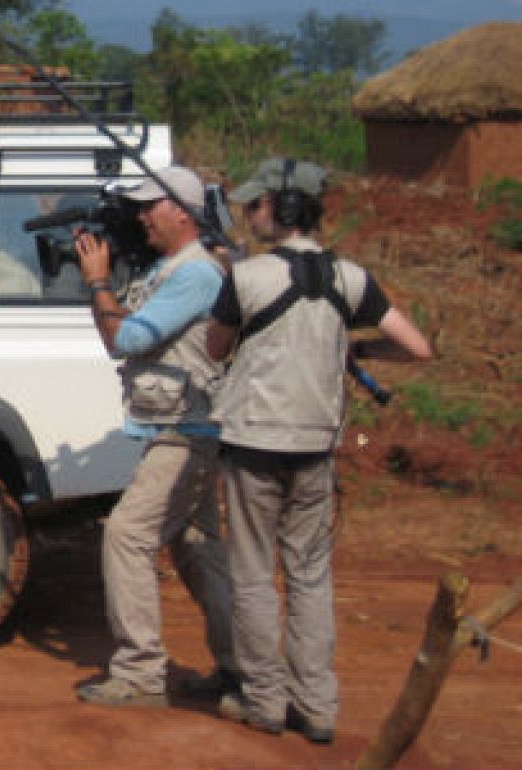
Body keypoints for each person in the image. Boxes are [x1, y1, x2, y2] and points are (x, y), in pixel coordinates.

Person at [207, 159, 432, 741]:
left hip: (253, 441)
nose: (250, 213)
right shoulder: (352, 278)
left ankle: (264, 702)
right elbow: (418, 347)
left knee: (254, 576)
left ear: (277, 209)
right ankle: (318, 708)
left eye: (256, 205)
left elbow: (215, 349)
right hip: (316, 448)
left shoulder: (248, 278)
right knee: (310, 577)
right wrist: (352, 352)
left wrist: (230, 282)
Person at [72, 165, 239, 707]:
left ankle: (141, 671)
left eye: (150, 207)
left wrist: (98, 281)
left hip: (186, 429)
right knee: (198, 550)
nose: (141, 216)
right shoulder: (171, 270)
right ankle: (242, 669)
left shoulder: (195, 275)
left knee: (127, 534)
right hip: (184, 424)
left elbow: (129, 337)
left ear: (183, 213)